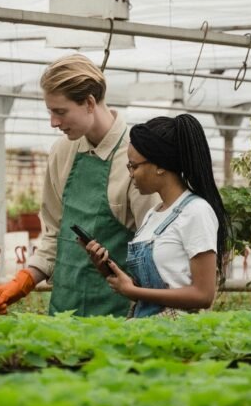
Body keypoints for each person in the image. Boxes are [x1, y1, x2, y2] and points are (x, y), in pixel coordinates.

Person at [0, 54, 158, 316]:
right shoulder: (62, 152)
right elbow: (55, 233)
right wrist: (26, 280)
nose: (53, 122)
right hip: (64, 310)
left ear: (89, 103)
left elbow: (153, 248)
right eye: (50, 111)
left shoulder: (135, 157)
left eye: (60, 111)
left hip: (118, 316)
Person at [84, 114, 231, 318]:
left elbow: (203, 295)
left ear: (160, 165)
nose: (130, 174)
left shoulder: (196, 212)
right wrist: (109, 271)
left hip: (177, 334)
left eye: (134, 166)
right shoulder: (153, 215)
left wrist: (133, 291)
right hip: (147, 327)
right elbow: (154, 291)